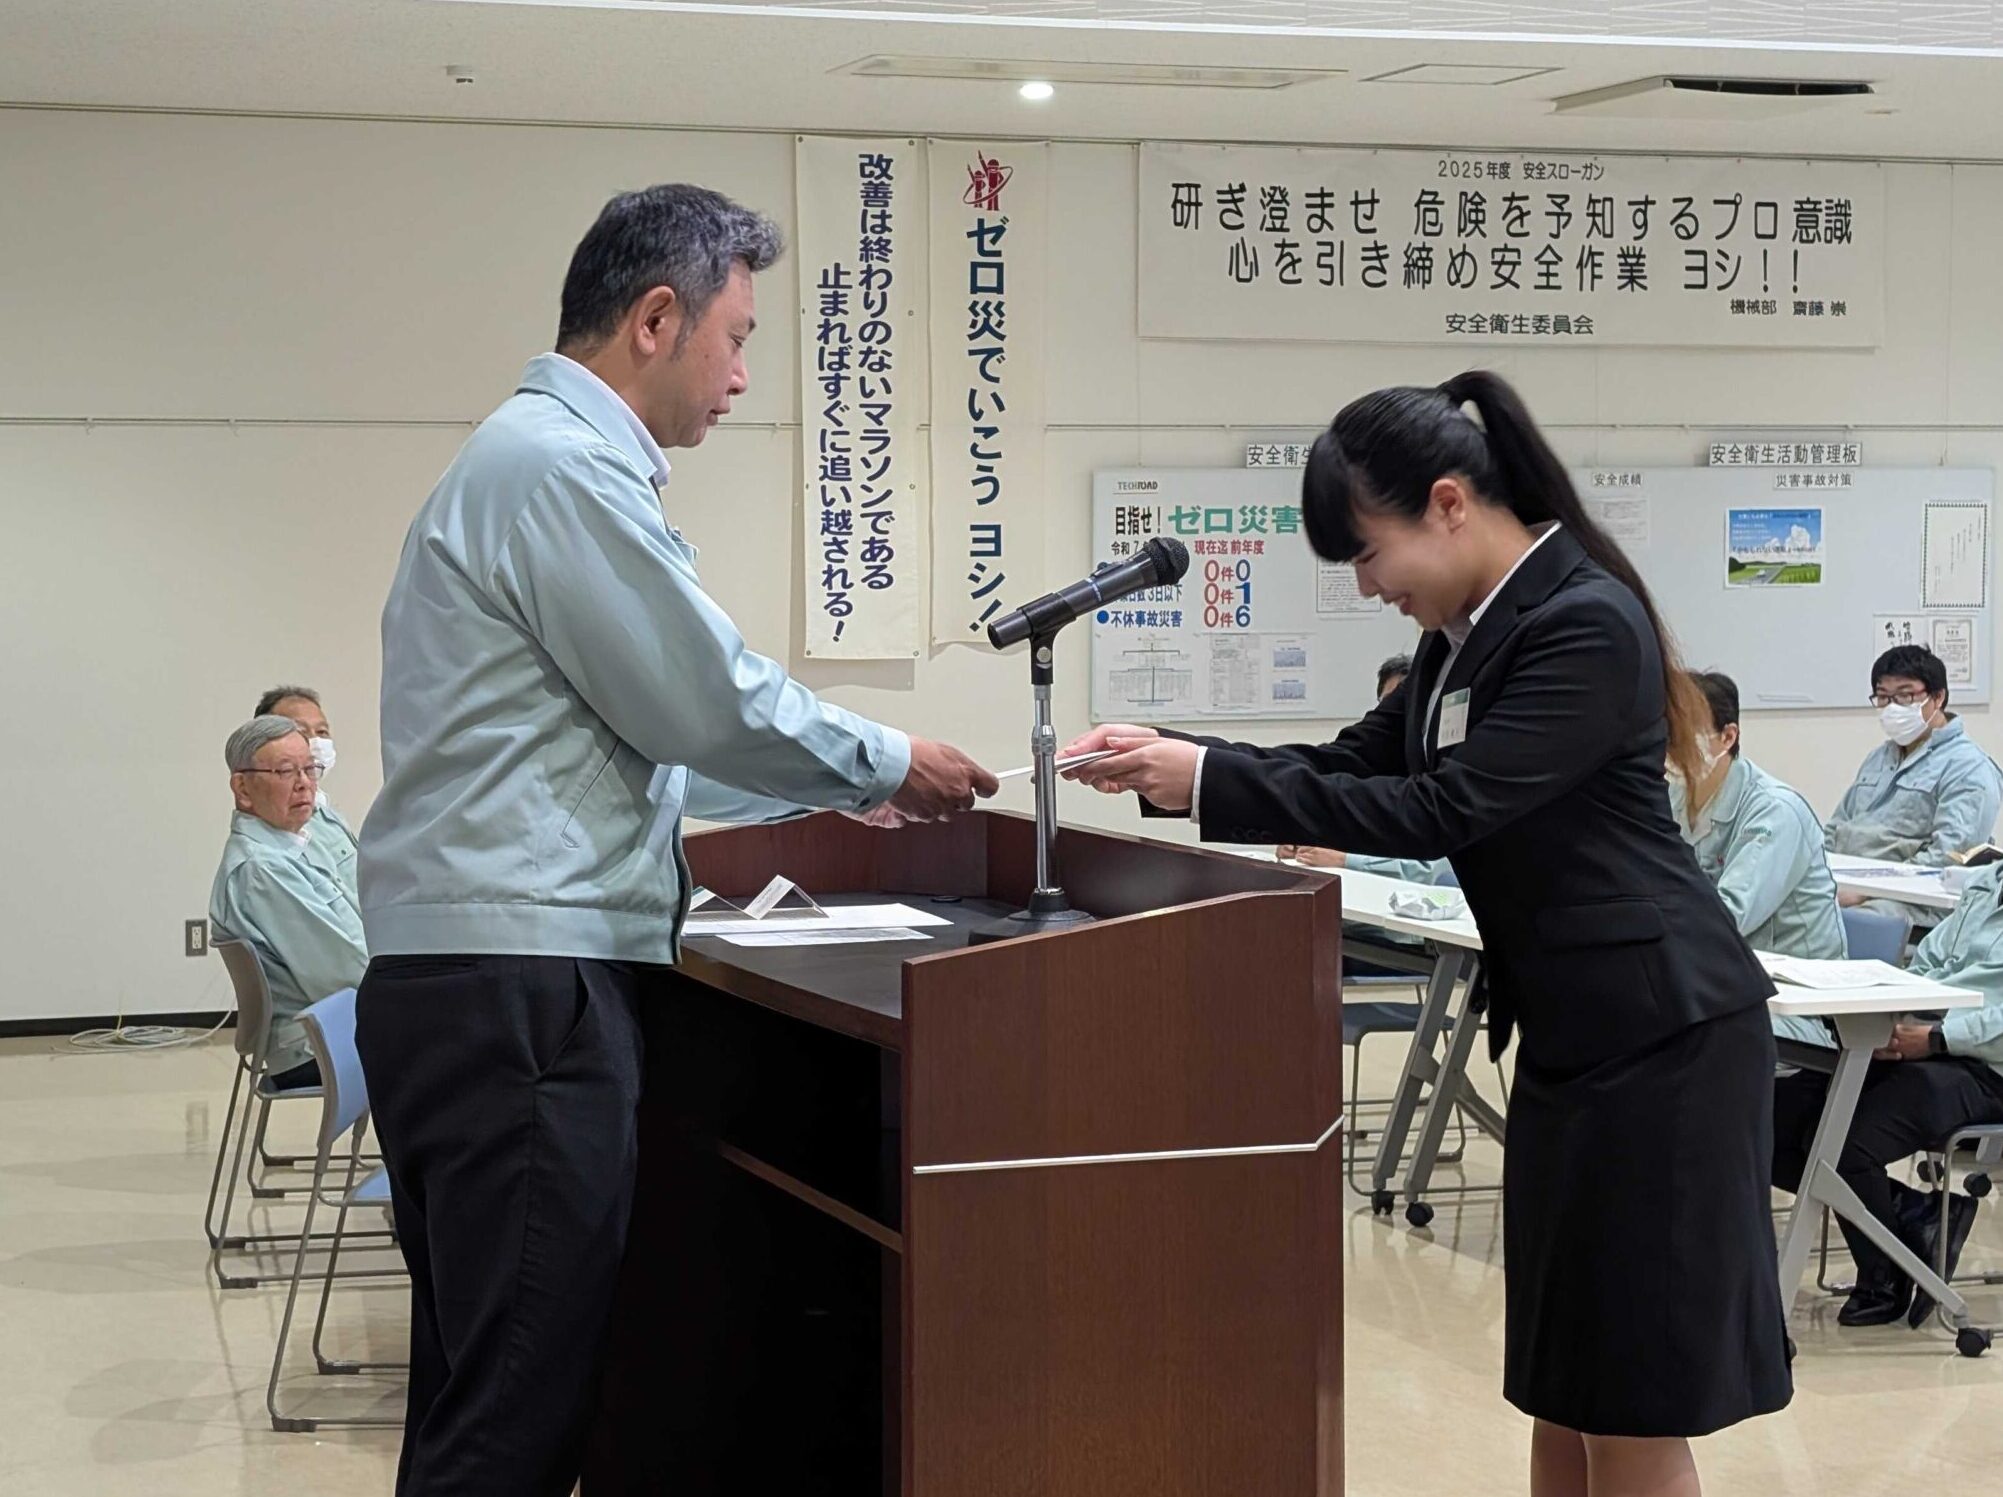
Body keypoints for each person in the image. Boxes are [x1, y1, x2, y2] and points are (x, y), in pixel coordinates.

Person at [354, 184, 996, 1497]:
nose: (743, 377)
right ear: (655, 319)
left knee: (481, 1395)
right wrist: (886, 757)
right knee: (515, 1420)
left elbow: (649, 733)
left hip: (471, 981)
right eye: (736, 337)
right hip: (525, 991)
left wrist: (836, 793)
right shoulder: (561, 467)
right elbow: (704, 694)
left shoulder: (521, 460)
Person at [1063, 371, 1789, 1497]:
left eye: (1366, 553)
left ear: (1447, 504)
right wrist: (1177, 758)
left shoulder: (1582, 621)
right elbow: (1352, 763)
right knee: (1564, 1383)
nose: (1366, 585)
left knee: (1632, 1399)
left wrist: (1203, 775)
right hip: (1579, 1039)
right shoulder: (1463, 638)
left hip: (1664, 1044)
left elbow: (1445, 809)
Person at [1773, 862, 2003, 1328]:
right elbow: (1932, 961)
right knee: (1772, 1121)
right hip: (1928, 1041)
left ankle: (1885, 1275)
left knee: (1845, 1144)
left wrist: (1937, 1038)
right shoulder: (1987, 882)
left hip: (1984, 1066)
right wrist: (1895, 1017)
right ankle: (1914, 1217)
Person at [1669, 670, 1848, 1050]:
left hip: (1795, 1010)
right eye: (1666, 729)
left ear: (1728, 737)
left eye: (1684, 731)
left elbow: (1727, 918)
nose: (1671, 744)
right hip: (1719, 987)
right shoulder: (1673, 799)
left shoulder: (1774, 811)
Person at [209, 715, 367, 1090]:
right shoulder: (262, 870)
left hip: (342, 1029)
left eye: (309, 769)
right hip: (320, 1046)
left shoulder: (293, 845)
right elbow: (348, 975)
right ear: (243, 788)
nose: (304, 784)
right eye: (284, 772)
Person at [1825, 645, 2002, 918]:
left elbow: (1948, 856)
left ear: (1938, 697)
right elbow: (1836, 829)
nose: (1892, 707)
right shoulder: (1879, 757)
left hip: (1911, 901)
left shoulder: (1969, 767)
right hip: (1848, 884)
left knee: (1843, 922)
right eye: (1883, 697)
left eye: (1905, 696)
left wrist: (1868, 890)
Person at [1276, 653, 1452, 886]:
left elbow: (1434, 867)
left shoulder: (1439, 772)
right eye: (1388, 702)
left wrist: (1347, 860)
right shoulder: (1361, 766)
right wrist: (1298, 839)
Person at [256, 684, 358, 891]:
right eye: (301, 732)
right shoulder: (282, 820)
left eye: (322, 732)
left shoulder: (325, 811)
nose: (317, 742)